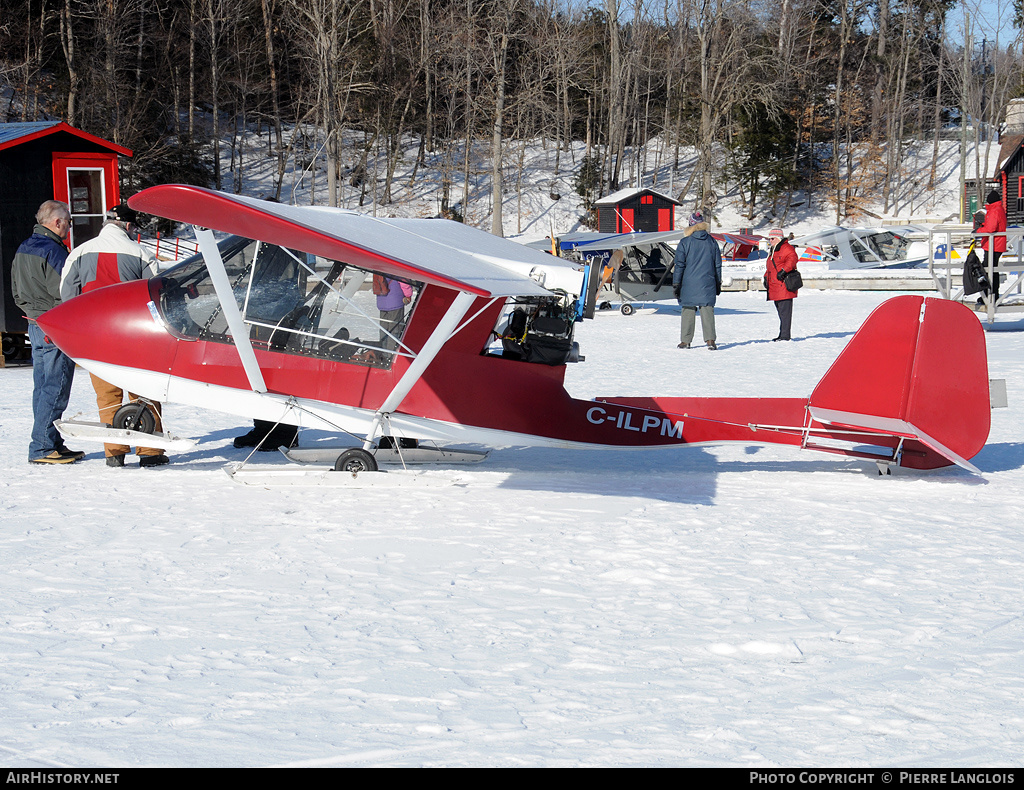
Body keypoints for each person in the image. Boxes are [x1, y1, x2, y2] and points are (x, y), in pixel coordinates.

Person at [60, 204, 168, 468]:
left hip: (96, 337)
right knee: (143, 393)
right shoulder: (140, 253)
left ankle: (114, 452)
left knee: (107, 396)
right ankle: (149, 450)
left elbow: (66, 296)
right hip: (134, 336)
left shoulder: (79, 253)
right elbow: (158, 296)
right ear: (129, 227)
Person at [11, 200, 84, 464]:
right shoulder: (54, 251)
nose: (69, 227)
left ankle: (51, 441)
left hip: (34, 321)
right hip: (53, 325)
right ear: (57, 222)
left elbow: (16, 290)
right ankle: (42, 446)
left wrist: (32, 312)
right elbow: (66, 293)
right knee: (56, 385)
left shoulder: (24, 247)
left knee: (42, 387)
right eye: (69, 222)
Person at [672, 210, 722, 350]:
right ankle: (710, 340)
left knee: (688, 309)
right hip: (708, 282)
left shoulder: (685, 243)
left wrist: (676, 283)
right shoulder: (712, 242)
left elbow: (679, 265)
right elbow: (717, 264)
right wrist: (718, 282)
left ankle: (686, 340)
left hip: (689, 283)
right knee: (707, 310)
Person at [765, 228, 798, 341]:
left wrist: (784, 270)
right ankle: (782, 334)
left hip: (783, 285)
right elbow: (770, 267)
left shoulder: (786, 248)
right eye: (769, 238)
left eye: (772, 238)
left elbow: (792, 259)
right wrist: (766, 278)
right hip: (775, 286)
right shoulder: (774, 250)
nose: (770, 240)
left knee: (785, 312)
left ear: (778, 238)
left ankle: (785, 335)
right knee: (781, 311)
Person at [976, 189, 1007, 303]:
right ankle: (991, 295)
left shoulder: (994, 211)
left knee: (988, 270)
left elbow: (991, 229)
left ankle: (990, 295)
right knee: (991, 269)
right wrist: (984, 225)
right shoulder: (999, 209)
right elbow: (994, 226)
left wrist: (979, 230)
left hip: (993, 245)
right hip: (996, 244)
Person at [374, 274, 413, 350]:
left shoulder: (380, 269)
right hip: (395, 302)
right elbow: (405, 283)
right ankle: (392, 353)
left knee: (384, 328)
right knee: (395, 328)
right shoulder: (397, 270)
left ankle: (383, 351)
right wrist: (408, 295)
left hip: (382, 302)